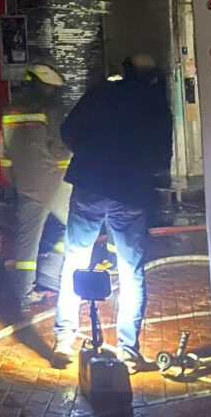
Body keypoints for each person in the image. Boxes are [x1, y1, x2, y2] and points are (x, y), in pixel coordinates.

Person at [51, 54, 172, 371]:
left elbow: (68, 132)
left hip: (90, 183)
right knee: (130, 270)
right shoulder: (156, 104)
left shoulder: (101, 92)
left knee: (75, 258)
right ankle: (128, 350)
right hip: (131, 191)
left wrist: (93, 153)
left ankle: (64, 338)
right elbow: (163, 155)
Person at [0, 63, 73, 310]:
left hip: (25, 181)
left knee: (28, 238)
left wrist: (13, 177)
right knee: (76, 223)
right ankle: (53, 274)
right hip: (55, 178)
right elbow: (60, 144)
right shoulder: (52, 108)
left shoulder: (11, 107)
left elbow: (6, 149)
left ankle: (23, 293)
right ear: (47, 86)